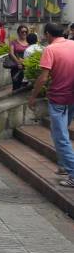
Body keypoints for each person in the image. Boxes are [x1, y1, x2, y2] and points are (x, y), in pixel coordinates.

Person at [29, 23, 74, 187]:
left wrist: (32, 97)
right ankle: (63, 166)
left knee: (60, 137)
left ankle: (73, 174)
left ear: (48, 34)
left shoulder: (50, 50)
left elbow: (43, 78)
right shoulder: (73, 44)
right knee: (63, 133)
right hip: (71, 98)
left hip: (58, 99)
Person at [8, 25, 29, 91]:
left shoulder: (29, 42)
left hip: (27, 67)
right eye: (22, 32)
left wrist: (25, 62)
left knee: (25, 86)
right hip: (16, 67)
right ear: (18, 32)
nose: (24, 33)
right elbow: (11, 53)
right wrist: (18, 62)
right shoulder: (13, 42)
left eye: (26, 32)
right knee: (16, 85)